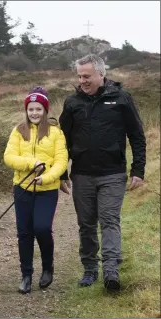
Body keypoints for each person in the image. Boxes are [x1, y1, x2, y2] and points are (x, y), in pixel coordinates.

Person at [59, 54, 146, 292]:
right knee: (86, 224)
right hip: (82, 174)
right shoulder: (72, 102)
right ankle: (89, 269)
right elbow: (61, 141)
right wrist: (61, 173)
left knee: (109, 220)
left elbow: (137, 135)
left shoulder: (121, 99)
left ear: (101, 74)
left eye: (86, 76)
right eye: (79, 76)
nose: (82, 80)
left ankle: (111, 271)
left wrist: (138, 169)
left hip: (113, 174)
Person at [4, 86, 68, 294]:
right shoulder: (18, 131)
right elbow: (9, 158)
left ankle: (48, 268)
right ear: (26, 110)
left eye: (38, 109)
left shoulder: (56, 133)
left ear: (45, 110)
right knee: (24, 232)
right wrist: (31, 163)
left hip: (47, 189)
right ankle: (26, 275)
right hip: (22, 188)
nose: (34, 113)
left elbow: (61, 162)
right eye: (31, 109)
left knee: (41, 228)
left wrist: (47, 177)